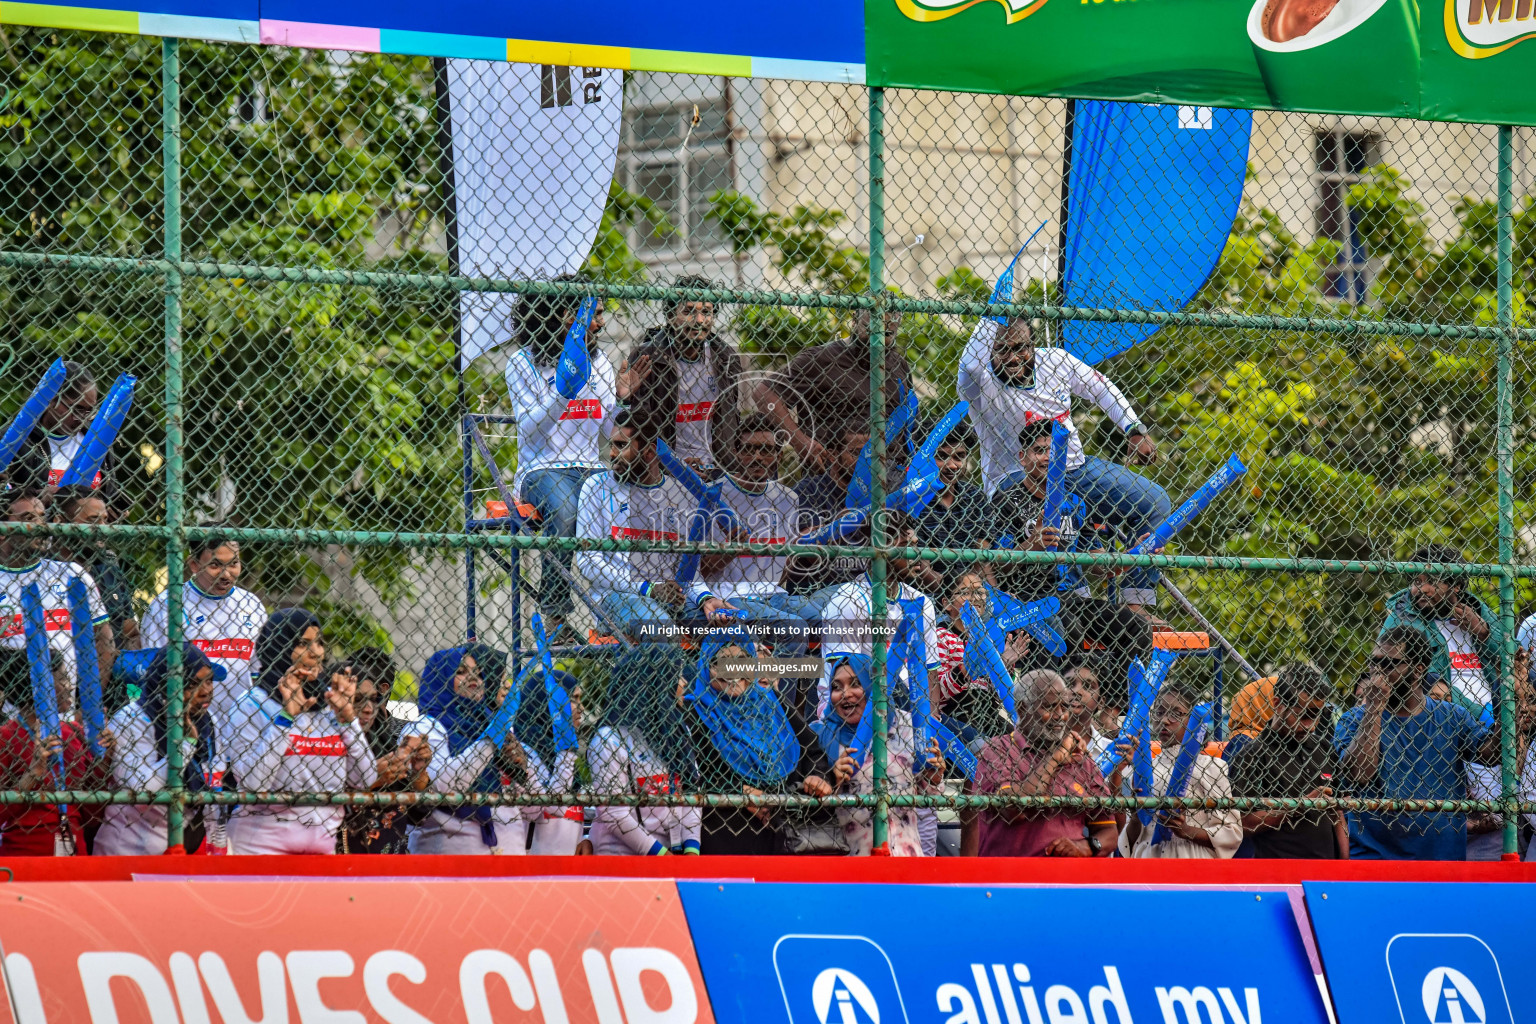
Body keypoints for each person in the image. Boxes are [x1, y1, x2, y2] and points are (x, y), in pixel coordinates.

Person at [960, 315, 1168, 615]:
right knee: (1048, 540)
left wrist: (1133, 430)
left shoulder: (1055, 360)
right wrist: (993, 314)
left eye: (1021, 347)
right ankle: (1055, 605)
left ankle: (1136, 606)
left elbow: (1101, 388)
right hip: (1017, 479)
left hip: (1073, 469)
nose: (1013, 357)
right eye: (1002, 350)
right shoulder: (978, 382)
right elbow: (968, 365)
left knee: (1155, 501)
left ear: (1033, 345)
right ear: (988, 352)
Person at [505, 278, 616, 638]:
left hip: (591, 466)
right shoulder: (522, 363)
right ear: (562, 316)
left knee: (629, 505)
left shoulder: (600, 364)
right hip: (542, 469)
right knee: (568, 509)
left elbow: (611, 432)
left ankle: (613, 616)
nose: (599, 324)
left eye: (600, 314)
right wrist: (562, 394)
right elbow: (530, 431)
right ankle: (554, 615)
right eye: (591, 316)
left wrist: (625, 401)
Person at [1336, 626, 1506, 860]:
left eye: (1388, 664)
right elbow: (1359, 775)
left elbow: (1491, 755)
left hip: (1442, 858)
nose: (1377, 672)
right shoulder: (1353, 718)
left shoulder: (1451, 716)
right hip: (1374, 857)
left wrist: (1512, 714)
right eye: (1373, 662)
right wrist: (1374, 708)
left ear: (1418, 669)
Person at [224, 609, 375, 854]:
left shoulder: (329, 704)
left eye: (319, 643)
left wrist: (348, 719)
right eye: (303, 644)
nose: (317, 653)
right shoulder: (251, 704)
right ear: (280, 647)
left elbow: (364, 780)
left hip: (320, 851)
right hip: (259, 849)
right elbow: (253, 784)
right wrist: (287, 717)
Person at [575, 409, 736, 638]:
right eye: (611, 445)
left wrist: (705, 598)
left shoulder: (679, 493)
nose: (611, 454)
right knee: (660, 629)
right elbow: (588, 561)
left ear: (650, 452)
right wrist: (648, 588)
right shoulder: (596, 487)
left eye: (621, 445)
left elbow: (689, 564)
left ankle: (692, 674)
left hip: (673, 596)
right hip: (617, 596)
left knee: (729, 628)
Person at [684, 635, 835, 855]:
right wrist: (736, 791)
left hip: (787, 831)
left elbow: (812, 750)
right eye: (721, 662)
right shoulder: (694, 712)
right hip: (728, 831)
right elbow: (694, 771)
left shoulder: (772, 701)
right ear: (706, 668)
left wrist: (817, 776)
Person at [963, 669, 1117, 857]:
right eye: (1050, 707)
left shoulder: (1080, 757)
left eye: (1064, 706)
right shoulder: (997, 750)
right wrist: (1055, 757)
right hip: (1011, 879)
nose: (1060, 715)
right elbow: (1015, 810)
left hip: (1069, 880)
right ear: (1022, 709)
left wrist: (1087, 847)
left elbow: (1109, 830)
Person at [701, 414, 818, 655]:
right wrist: (733, 549)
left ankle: (808, 692)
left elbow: (785, 560)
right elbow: (701, 568)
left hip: (773, 592)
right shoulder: (714, 496)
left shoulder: (788, 498)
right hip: (729, 594)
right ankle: (774, 692)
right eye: (749, 449)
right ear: (735, 451)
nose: (757, 458)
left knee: (819, 619)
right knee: (794, 627)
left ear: (778, 455)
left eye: (766, 450)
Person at [95, 643, 227, 855]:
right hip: (130, 850)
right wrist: (186, 745)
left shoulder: (208, 721)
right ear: (166, 686)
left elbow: (215, 782)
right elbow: (142, 791)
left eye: (209, 681)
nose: (206, 692)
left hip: (186, 849)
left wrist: (218, 843)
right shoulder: (130, 720)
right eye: (193, 684)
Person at [407, 646, 536, 855]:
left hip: (508, 852)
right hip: (450, 856)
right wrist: (490, 740)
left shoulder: (490, 722)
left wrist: (523, 767)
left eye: (478, 672)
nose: (472, 677)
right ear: (441, 680)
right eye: (460, 672)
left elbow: (533, 804)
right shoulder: (425, 727)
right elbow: (443, 787)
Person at [813, 654, 944, 856]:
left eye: (856, 684)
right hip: (849, 864)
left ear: (872, 686)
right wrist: (831, 779)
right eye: (836, 687)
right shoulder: (821, 738)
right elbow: (810, 807)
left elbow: (930, 800)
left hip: (905, 858)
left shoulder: (906, 726)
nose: (845, 694)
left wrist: (933, 778)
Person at [753, 308, 910, 475]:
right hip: (833, 475)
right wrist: (800, 442)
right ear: (854, 321)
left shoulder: (899, 365)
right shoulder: (822, 358)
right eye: (871, 329)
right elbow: (764, 393)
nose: (877, 340)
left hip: (891, 475)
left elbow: (911, 417)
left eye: (887, 333)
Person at [616, 275, 743, 475]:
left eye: (706, 312)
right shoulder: (647, 358)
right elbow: (636, 424)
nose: (699, 320)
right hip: (663, 469)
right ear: (670, 316)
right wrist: (624, 399)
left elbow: (731, 416)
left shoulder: (725, 357)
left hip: (717, 467)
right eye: (688, 311)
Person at [816, 519, 942, 717]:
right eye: (905, 546)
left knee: (974, 740)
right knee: (888, 680)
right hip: (860, 712)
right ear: (881, 549)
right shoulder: (848, 602)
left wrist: (930, 719)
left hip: (913, 710)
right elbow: (845, 681)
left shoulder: (921, 601)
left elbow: (930, 671)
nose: (915, 553)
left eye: (916, 544)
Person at [0, 488, 115, 706]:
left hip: (70, 715)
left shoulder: (72, 574)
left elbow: (104, 642)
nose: (41, 526)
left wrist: (89, 705)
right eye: (28, 518)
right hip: (11, 724)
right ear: (3, 529)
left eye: (43, 517)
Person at [141, 527, 268, 720]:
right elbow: (153, 672)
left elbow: (259, 671)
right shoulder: (168, 605)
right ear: (194, 564)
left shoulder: (251, 605)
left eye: (233, 563)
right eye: (215, 565)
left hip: (241, 723)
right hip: (184, 721)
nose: (226, 574)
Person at [587, 645, 702, 855]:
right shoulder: (609, 739)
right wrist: (660, 855)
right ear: (655, 682)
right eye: (676, 676)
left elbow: (692, 793)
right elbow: (615, 813)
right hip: (622, 857)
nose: (683, 684)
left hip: (672, 853)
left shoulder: (676, 729)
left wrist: (691, 850)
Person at [0, 647, 115, 855]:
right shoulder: (6, 737)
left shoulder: (74, 733)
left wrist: (104, 759)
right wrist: (32, 774)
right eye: (62, 679)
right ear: (38, 685)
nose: (70, 687)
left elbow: (93, 814)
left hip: (73, 851)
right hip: (24, 856)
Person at [1227, 663, 1348, 859]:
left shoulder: (1324, 748)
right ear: (1277, 703)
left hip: (1328, 873)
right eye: (1303, 716)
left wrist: (1344, 865)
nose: (1310, 726)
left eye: (1317, 715)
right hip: (1279, 874)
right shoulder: (1252, 754)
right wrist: (1299, 805)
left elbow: (1337, 813)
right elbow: (1244, 823)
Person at [1378, 546, 1504, 712]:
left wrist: (1484, 633)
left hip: (1500, 713)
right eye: (1417, 581)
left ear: (1456, 585)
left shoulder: (1476, 609)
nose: (1422, 589)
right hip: (1447, 720)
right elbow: (1428, 686)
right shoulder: (1402, 619)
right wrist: (1483, 717)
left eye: (1432, 581)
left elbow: (1515, 658)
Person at [1122, 688, 1242, 859]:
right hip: (1148, 861)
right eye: (1160, 712)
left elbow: (1231, 831)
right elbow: (1128, 842)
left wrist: (1186, 831)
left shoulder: (1212, 767)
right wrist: (1135, 817)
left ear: (1193, 720)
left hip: (1193, 859)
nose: (1164, 720)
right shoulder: (1142, 769)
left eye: (1176, 713)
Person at [335, 652, 431, 855]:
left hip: (390, 866)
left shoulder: (390, 740)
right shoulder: (322, 742)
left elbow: (421, 814)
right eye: (358, 699)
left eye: (373, 699)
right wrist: (372, 779)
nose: (369, 708)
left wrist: (419, 772)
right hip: (338, 860)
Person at [12, 360, 127, 509]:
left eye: (89, 411)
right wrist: (39, 498)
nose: (82, 418)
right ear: (51, 399)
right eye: (76, 408)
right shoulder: (16, 440)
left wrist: (112, 508)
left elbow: (109, 492)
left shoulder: (95, 441)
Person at [783, 425, 880, 600]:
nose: (865, 461)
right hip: (812, 592)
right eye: (856, 452)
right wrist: (838, 527)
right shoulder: (807, 490)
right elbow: (806, 552)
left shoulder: (878, 495)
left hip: (866, 592)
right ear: (833, 454)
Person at [54, 486, 138, 658]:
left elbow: (131, 633)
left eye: (105, 520)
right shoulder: (44, 571)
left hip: (115, 674)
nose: (103, 529)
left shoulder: (108, 568)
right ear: (61, 521)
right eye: (92, 521)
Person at [515, 665, 585, 855]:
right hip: (533, 872)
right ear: (548, 702)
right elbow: (555, 807)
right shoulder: (523, 753)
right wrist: (567, 748)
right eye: (573, 699)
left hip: (566, 871)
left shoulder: (559, 751)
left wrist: (584, 839)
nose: (581, 707)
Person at [914, 422, 992, 587]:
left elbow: (982, 561)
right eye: (941, 456)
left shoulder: (976, 497)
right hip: (927, 594)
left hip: (971, 591)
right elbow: (922, 568)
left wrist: (993, 596)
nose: (952, 465)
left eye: (959, 456)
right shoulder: (914, 500)